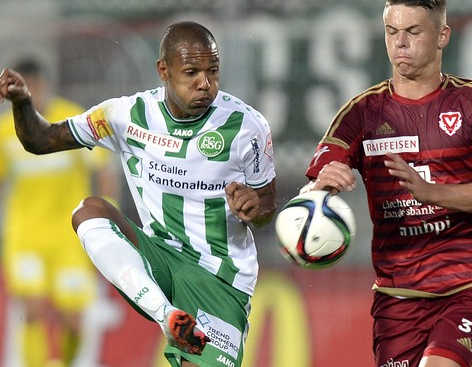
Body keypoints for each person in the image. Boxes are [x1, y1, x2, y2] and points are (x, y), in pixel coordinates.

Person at [0, 21, 277, 367]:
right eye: (191, 72)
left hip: (218, 276)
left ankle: (176, 321)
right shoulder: (126, 116)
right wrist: (23, 104)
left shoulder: (247, 127)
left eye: (213, 71)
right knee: (89, 211)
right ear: (163, 70)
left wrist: (256, 208)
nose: (205, 84)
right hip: (157, 258)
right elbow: (41, 140)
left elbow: (267, 203)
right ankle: (167, 316)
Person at [301, 0, 472, 366]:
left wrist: (432, 192)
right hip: (397, 294)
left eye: (413, 32)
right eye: (392, 32)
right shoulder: (363, 112)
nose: (399, 43)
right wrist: (322, 183)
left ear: (442, 36)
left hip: (469, 282)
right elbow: (321, 171)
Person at [0, 58, 119, 367]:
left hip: (69, 240)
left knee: (75, 321)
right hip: (25, 235)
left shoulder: (70, 119)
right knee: (34, 309)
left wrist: (109, 215)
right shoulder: (5, 131)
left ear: (44, 86)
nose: (30, 95)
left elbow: (104, 168)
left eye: (33, 87)